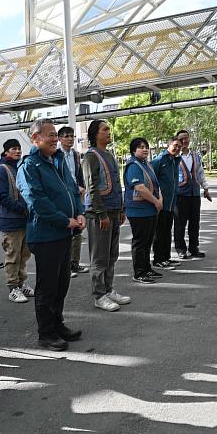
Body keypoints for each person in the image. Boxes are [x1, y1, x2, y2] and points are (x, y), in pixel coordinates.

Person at [17, 119, 86, 351]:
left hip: (65, 233)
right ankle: (45, 333)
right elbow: (37, 201)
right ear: (35, 139)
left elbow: (72, 189)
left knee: (62, 283)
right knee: (47, 287)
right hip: (46, 235)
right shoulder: (29, 166)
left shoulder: (57, 160)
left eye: (56, 134)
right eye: (50, 135)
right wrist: (64, 220)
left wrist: (80, 213)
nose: (55, 138)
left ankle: (57, 323)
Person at [81, 120, 130, 312]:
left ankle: (109, 289)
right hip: (99, 214)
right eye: (105, 130)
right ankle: (99, 295)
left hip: (114, 212)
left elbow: (117, 184)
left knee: (111, 255)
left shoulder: (108, 154)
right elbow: (91, 188)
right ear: (95, 134)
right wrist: (101, 214)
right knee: (99, 257)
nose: (109, 132)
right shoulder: (91, 156)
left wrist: (121, 209)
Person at [0, 139, 33, 303]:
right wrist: (21, 208)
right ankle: (13, 287)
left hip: (24, 220)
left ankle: (21, 283)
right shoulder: (1, 171)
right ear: (6, 152)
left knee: (24, 255)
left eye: (19, 148)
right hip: (10, 221)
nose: (18, 151)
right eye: (14, 149)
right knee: (13, 255)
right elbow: (0, 196)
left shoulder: (19, 168)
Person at [124, 138, 164, 284]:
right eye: (141, 147)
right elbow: (140, 188)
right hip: (138, 211)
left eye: (146, 147)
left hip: (150, 210)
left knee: (148, 242)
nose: (145, 149)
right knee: (140, 242)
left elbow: (155, 185)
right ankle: (139, 272)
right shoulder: (133, 165)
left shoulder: (147, 164)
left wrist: (160, 200)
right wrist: (156, 202)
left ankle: (147, 269)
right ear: (134, 150)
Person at [174, 129, 211, 260]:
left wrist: (205, 189)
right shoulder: (174, 157)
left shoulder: (195, 156)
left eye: (186, 138)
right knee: (180, 224)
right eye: (181, 139)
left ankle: (193, 248)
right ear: (177, 140)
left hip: (194, 194)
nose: (184, 141)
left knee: (195, 223)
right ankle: (181, 249)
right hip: (180, 195)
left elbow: (200, 173)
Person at [58, 126, 89, 278]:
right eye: (66, 136)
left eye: (72, 136)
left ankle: (74, 263)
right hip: (64, 194)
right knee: (66, 229)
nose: (70, 139)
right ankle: (65, 266)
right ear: (60, 138)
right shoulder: (57, 155)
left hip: (77, 193)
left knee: (78, 230)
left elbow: (78, 173)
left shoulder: (75, 155)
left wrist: (81, 186)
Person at [151, 136, 182, 270]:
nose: (177, 148)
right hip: (161, 203)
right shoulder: (160, 160)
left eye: (179, 147)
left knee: (167, 231)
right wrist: (156, 198)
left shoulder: (175, 160)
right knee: (159, 232)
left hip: (171, 203)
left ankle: (166, 257)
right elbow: (151, 179)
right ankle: (158, 259)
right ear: (168, 145)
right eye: (175, 145)